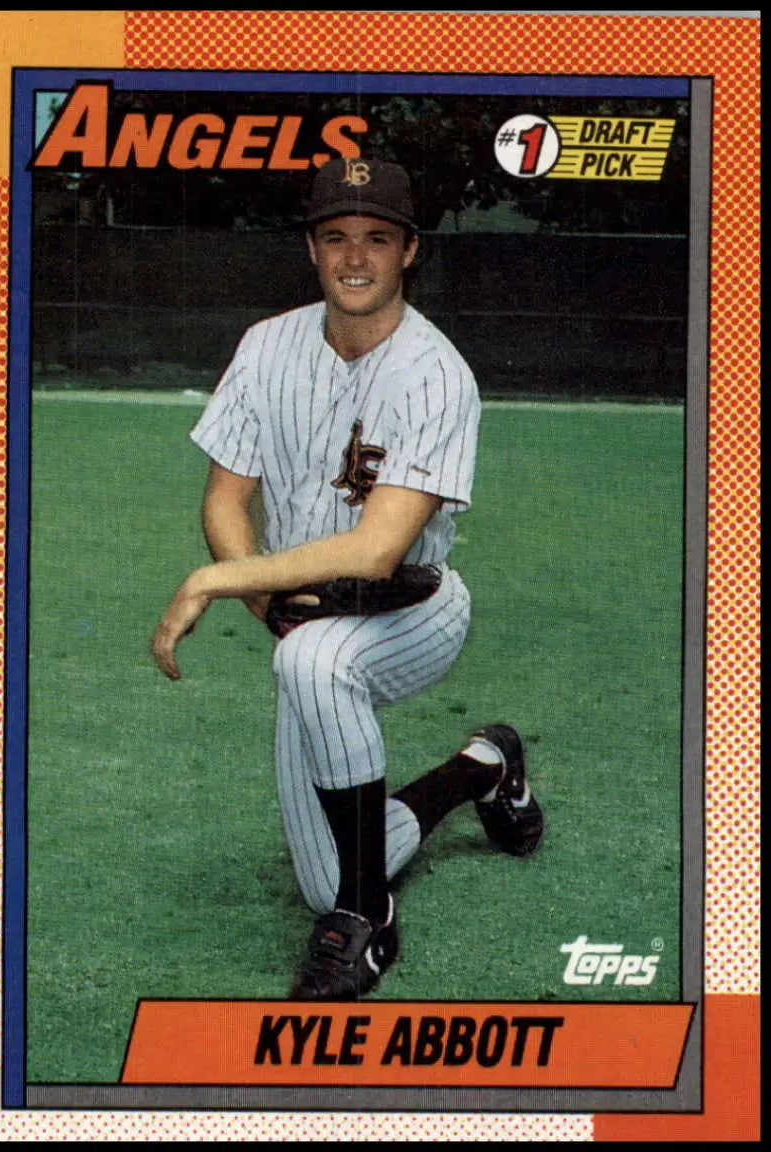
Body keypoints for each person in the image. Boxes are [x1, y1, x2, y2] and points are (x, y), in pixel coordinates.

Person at [151, 157, 543, 1001]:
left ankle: (367, 919)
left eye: (377, 238)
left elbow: (375, 552)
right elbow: (227, 496)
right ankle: (482, 766)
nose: (355, 257)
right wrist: (264, 600)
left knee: (313, 665)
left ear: (409, 252)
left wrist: (214, 580)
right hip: (305, 618)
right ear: (312, 249)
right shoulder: (267, 346)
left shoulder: (437, 373)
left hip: (415, 609)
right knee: (318, 869)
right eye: (336, 238)